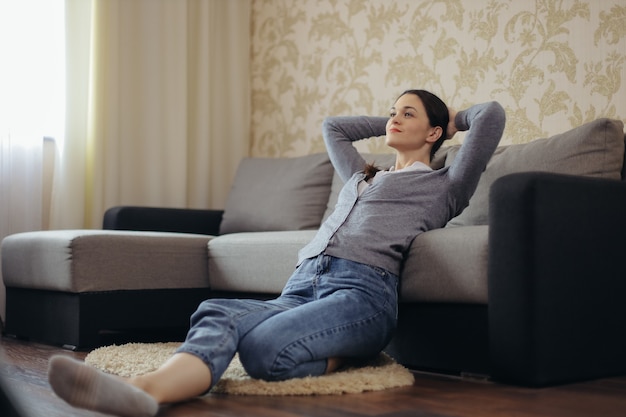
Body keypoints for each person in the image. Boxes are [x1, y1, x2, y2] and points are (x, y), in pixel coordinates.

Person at [47, 90, 505, 417]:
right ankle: (144, 393)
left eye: (407, 114)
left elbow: (491, 115)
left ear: (435, 131)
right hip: (302, 284)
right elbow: (334, 128)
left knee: (266, 352)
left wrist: (449, 112)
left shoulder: (445, 185)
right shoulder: (362, 175)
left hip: (361, 293)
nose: (393, 119)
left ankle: (354, 353)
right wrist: (395, 114)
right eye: (392, 112)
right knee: (217, 311)